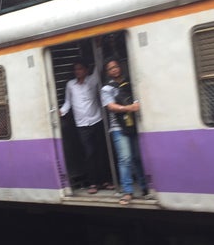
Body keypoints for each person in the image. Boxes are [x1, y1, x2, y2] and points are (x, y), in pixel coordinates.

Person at [59, 62, 113, 194]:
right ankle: (93, 183)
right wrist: (61, 111)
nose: (77, 71)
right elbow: (68, 102)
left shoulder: (92, 80)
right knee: (89, 154)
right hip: (82, 125)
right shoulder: (70, 85)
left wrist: (99, 45)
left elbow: (99, 66)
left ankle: (106, 181)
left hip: (97, 120)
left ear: (86, 70)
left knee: (101, 152)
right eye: (75, 69)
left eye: (80, 69)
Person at [100, 59, 149, 205]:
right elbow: (111, 107)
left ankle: (144, 187)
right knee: (125, 159)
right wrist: (129, 108)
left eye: (116, 66)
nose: (114, 69)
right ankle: (127, 191)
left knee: (137, 158)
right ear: (107, 73)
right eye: (110, 68)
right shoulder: (106, 89)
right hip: (118, 128)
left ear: (120, 67)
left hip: (132, 125)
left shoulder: (130, 84)